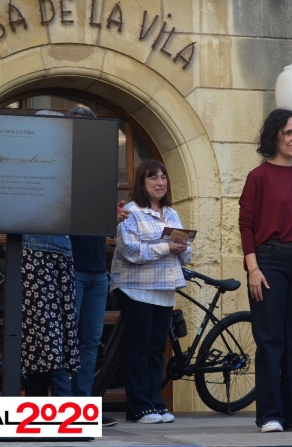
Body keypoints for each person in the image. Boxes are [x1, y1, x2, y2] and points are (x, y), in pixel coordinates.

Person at [238, 108, 292, 434]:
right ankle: (270, 415)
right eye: (288, 132)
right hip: (269, 262)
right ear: (274, 136)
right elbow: (246, 224)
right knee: (270, 340)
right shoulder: (258, 177)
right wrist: (253, 269)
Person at [111, 159, 192, 424]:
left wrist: (182, 248)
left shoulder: (171, 213)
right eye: (153, 177)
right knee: (139, 348)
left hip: (164, 289)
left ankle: (156, 402)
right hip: (135, 288)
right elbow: (130, 251)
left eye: (163, 177)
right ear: (141, 182)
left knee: (157, 349)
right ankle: (138, 407)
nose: (160, 182)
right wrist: (167, 247)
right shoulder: (131, 211)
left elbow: (187, 254)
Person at [52, 106, 116, 426]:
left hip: (97, 270)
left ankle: (84, 408)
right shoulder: (58, 168)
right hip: (69, 267)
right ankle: (64, 408)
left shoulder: (99, 171)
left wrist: (114, 215)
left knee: (90, 342)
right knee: (65, 340)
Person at [21, 109, 79, 396]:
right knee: (43, 333)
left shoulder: (66, 164)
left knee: (59, 335)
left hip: (62, 251)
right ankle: (35, 400)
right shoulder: (27, 162)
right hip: (35, 250)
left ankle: (49, 403)